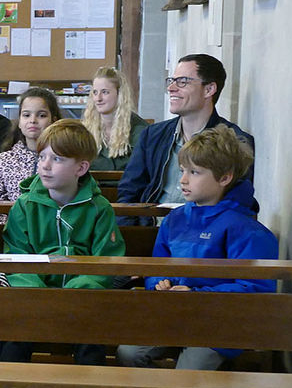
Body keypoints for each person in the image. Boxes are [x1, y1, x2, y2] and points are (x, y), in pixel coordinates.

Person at [116, 125, 278, 371]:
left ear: (225, 177)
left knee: (189, 372)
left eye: (195, 172)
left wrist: (196, 294)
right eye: (182, 170)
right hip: (174, 314)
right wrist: (160, 282)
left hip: (221, 324)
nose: (182, 180)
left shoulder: (247, 229)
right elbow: (159, 264)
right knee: (128, 353)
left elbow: (255, 288)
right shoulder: (176, 218)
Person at [1, 120, 125, 365]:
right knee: (15, 336)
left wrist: (74, 294)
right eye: (42, 157)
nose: (45, 166)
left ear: (80, 168)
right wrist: (39, 296)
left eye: (57, 159)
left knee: (92, 338)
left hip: (82, 299)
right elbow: (16, 257)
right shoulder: (25, 206)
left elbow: (107, 261)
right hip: (33, 297)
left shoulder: (99, 209)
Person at [118, 54, 255, 219]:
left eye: (182, 81)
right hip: (151, 232)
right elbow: (129, 192)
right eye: (171, 81)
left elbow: (237, 202)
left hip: (204, 235)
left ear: (209, 89)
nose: (171, 88)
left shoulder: (234, 142)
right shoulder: (152, 135)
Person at [0, 87, 62, 224]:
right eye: (26, 115)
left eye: (42, 115)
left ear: (53, 120)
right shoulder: (4, 160)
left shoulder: (63, 159)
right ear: (19, 121)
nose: (33, 120)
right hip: (14, 234)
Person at [81, 67, 148, 174]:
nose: (98, 98)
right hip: (92, 188)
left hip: (127, 189)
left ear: (119, 94)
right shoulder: (85, 129)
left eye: (105, 92)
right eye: (95, 92)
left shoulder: (140, 130)